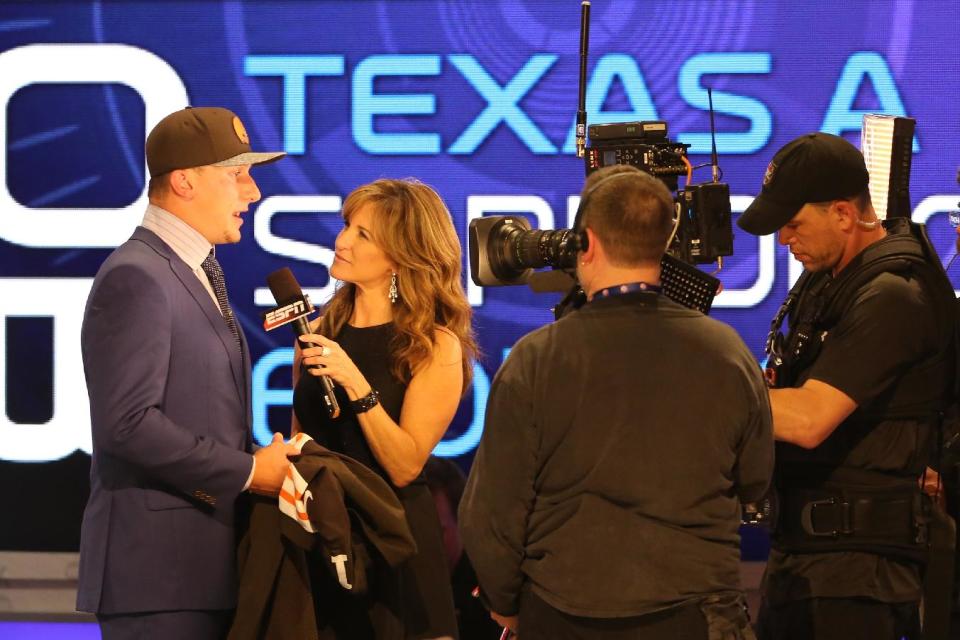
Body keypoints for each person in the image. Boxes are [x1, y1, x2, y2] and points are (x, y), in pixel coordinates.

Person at [459, 164, 774, 639]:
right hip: (696, 615)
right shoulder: (726, 352)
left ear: (585, 245)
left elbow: (492, 513)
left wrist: (507, 606)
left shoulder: (537, 358)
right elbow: (755, 482)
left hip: (564, 615)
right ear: (664, 244)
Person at [77, 106, 296, 640]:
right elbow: (127, 425)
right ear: (184, 182)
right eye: (237, 175)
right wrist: (248, 472)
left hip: (200, 571)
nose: (253, 193)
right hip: (158, 579)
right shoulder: (137, 275)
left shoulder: (188, 270)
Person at [736, 132, 957, 640]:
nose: (784, 241)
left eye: (794, 225)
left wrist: (705, 391)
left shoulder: (893, 297)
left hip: (859, 582)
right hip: (807, 563)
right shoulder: (831, 278)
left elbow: (812, 419)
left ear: (842, 214)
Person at [292, 178, 477, 639]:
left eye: (363, 234)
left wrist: (354, 381)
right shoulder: (317, 333)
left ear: (400, 257)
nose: (342, 241)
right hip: (321, 540)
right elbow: (302, 446)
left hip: (395, 548)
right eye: (347, 226)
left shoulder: (434, 347)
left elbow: (404, 465)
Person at [423, 456, 503, 640]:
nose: (425, 545)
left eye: (438, 532)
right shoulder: (399, 585)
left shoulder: (492, 590)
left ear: (462, 524)